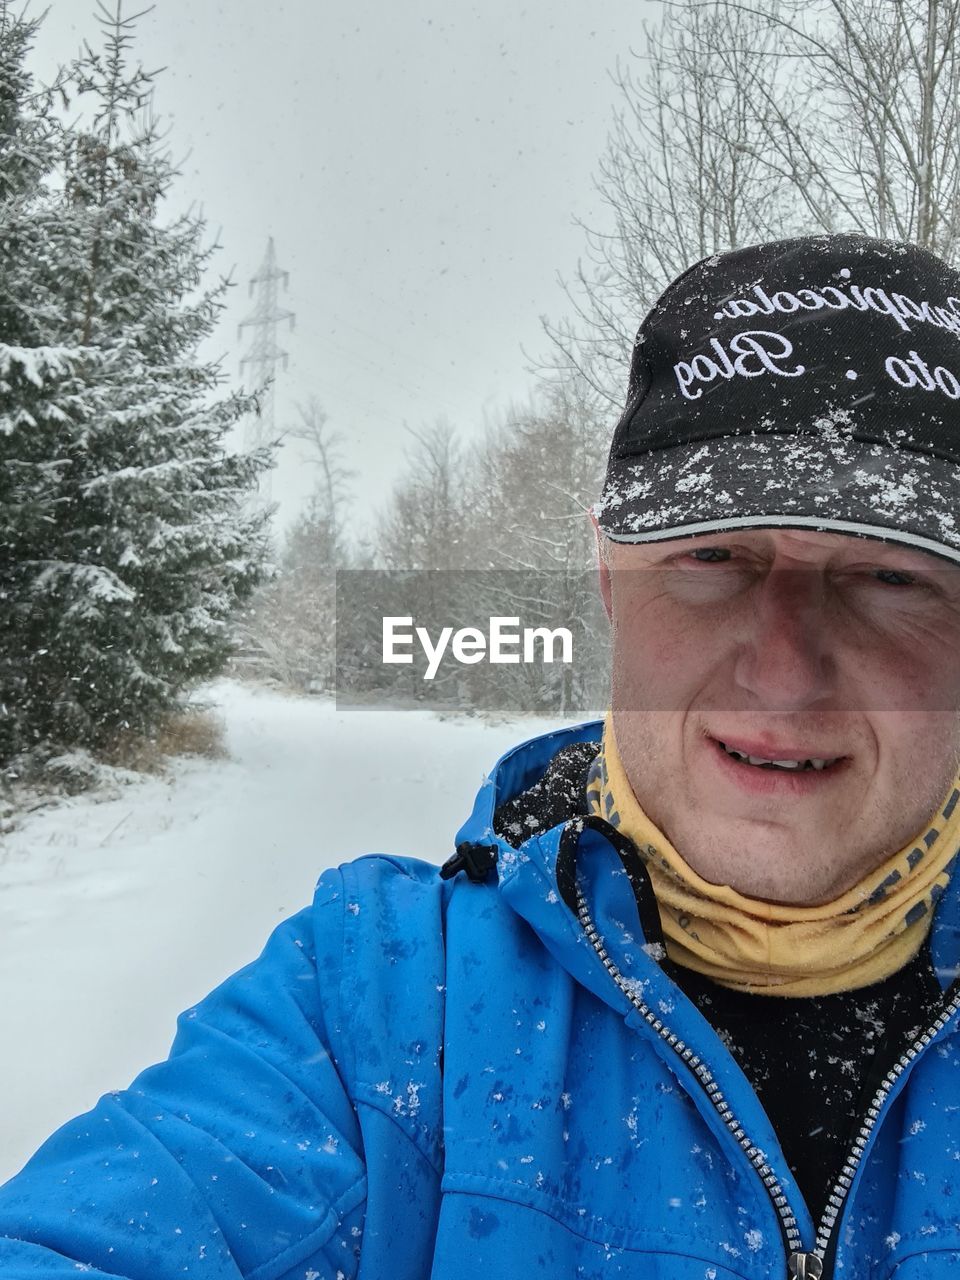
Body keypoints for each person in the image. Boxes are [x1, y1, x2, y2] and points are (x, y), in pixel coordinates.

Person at [3, 233, 960, 1280]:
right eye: (712, 556)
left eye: (889, 576)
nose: (784, 672)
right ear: (609, 586)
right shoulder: (384, 1003)